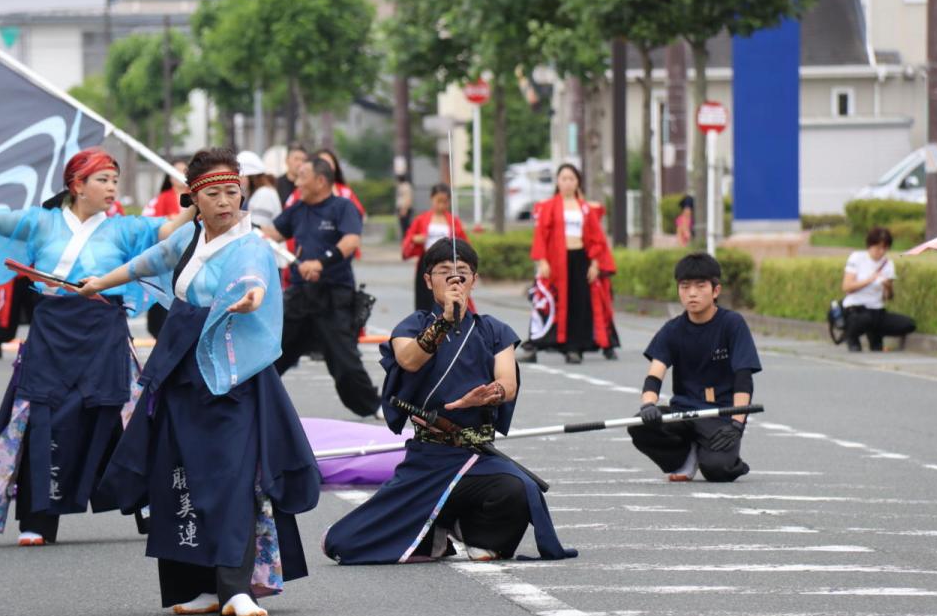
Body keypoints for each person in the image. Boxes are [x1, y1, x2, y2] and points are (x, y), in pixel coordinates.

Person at [77, 147, 321, 616]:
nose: (226, 201)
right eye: (214, 193)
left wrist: (252, 299)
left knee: (231, 477)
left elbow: (255, 281)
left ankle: (235, 586)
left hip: (232, 375)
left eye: (233, 191)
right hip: (181, 370)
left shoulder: (250, 244)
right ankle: (199, 585)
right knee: (181, 475)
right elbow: (148, 262)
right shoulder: (189, 237)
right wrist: (98, 283)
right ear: (194, 198)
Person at [0, 148, 195, 545]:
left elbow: (167, 232)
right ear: (77, 185)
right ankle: (38, 519)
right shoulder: (40, 222)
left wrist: (196, 203)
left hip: (102, 329)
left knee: (121, 413)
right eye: (103, 180)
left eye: (115, 180)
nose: (113, 188)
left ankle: (146, 504)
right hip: (52, 330)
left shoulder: (123, 229)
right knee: (41, 415)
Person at [321, 238, 577, 564]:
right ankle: (435, 532)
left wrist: (488, 394)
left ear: (474, 279)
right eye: (444, 273)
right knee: (344, 544)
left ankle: (476, 534)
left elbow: (507, 384)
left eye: (463, 274)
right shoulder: (412, 326)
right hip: (428, 459)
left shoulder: (494, 331)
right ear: (428, 280)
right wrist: (444, 320)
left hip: (476, 455)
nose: (454, 281)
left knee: (518, 488)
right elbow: (409, 360)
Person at [628, 253, 760, 483]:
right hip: (683, 413)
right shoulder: (672, 330)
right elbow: (654, 375)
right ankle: (683, 458)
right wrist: (648, 404)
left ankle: (716, 456)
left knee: (718, 470)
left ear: (716, 290)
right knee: (640, 425)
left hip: (720, 416)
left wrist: (737, 424)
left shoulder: (732, 324)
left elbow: (743, 378)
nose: (692, 293)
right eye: (685, 286)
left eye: (700, 286)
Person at [264, 155, 380, 417]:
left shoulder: (342, 207)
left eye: (303, 176)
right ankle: (253, 400)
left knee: (345, 363)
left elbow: (351, 241)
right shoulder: (298, 209)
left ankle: (373, 406)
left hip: (333, 298)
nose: (297, 182)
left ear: (321, 180)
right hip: (299, 297)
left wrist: (321, 262)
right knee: (271, 354)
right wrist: (243, 223)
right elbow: (273, 233)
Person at [521, 162, 619, 364]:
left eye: (571, 178)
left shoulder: (585, 208)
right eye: (563, 178)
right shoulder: (548, 206)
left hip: (580, 259)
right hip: (556, 261)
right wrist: (542, 261)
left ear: (577, 182)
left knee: (578, 303)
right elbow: (541, 235)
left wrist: (594, 263)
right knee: (547, 302)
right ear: (557, 181)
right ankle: (534, 346)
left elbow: (595, 238)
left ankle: (574, 348)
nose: (567, 182)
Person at [841, 227, 916, 353]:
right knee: (865, 319)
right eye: (878, 247)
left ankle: (875, 335)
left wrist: (887, 286)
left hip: (877, 310)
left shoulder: (888, 264)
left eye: (885, 248)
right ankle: (852, 337)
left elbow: (888, 297)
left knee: (908, 324)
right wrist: (869, 280)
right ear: (870, 245)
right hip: (856, 309)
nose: (881, 252)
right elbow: (847, 287)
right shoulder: (857, 258)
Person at [401, 183, 470, 313]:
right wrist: (416, 239)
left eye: (445, 202)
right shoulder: (421, 219)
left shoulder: (453, 221)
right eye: (438, 201)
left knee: (448, 296)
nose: (441, 205)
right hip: (426, 263)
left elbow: (463, 242)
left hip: (448, 263)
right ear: (431, 199)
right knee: (425, 298)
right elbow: (408, 239)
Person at [143, 159, 189, 339]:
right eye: (175, 171)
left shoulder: (196, 197)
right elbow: (152, 227)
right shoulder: (160, 200)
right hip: (167, 261)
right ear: (169, 177)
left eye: (184, 171)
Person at [0, 275, 36, 359]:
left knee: (39, 309)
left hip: (33, 273)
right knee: (2, 308)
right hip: (9, 274)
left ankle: (42, 346)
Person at [237, 150, 283, 230]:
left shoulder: (263, 194)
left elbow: (257, 229)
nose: (239, 181)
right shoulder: (263, 192)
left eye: (241, 177)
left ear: (251, 177)